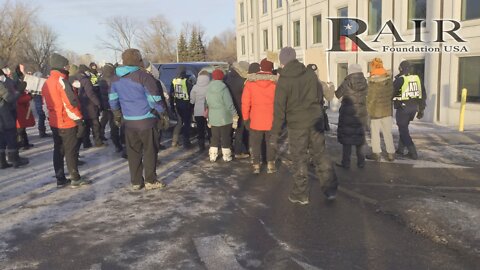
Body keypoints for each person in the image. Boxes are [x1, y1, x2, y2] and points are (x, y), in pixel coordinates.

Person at [272, 47, 338, 205]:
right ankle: (330, 190)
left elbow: (279, 108)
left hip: (297, 124)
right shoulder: (309, 73)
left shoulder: (284, 79)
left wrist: (275, 133)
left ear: (282, 61)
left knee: (299, 157)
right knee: (320, 154)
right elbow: (319, 95)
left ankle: (300, 194)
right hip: (315, 119)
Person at [109, 48, 166, 190]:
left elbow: (113, 100)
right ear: (138, 60)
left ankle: (136, 182)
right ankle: (150, 181)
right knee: (149, 151)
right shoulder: (144, 77)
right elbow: (154, 99)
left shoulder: (115, 78)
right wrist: (163, 113)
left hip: (128, 121)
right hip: (146, 120)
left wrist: (117, 115)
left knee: (133, 152)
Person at [42, 53, 89, 188]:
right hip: (67, 122)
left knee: (58, 150)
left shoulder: (47, 82)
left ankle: (60, 177)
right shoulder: (61, 81)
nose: (68, 67)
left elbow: (46, 105)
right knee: (71, 151)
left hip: (55, 122)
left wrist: (50, 118)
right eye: (67, 64)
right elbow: (70, 103)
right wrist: (79, 120)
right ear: (62, 66)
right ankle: (75, 178)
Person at [242, 58, 277, 174]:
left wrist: (246, 118)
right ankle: (271, 164)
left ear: (261, 68)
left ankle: (256, 165)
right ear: (271, 69)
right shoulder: (276, 83)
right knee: (271, 142)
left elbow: (245, 103)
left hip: (255, 119)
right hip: (271, 118)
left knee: (255, 143)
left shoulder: (250, 83)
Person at [335, 64, 368, 169]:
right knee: (359, 138)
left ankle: (346, 163)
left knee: (347, 139)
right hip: (361, 113)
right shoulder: (365, 82)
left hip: (348, 113)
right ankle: (361, 162)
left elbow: (337, 94)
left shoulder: (347, 82)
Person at [393, 61, 427, 160]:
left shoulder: (400, 80)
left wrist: (395, 101)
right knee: (404, 128)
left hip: (403, 108)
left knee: (403, 130)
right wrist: (421, 109)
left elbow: (391, 93)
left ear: (401, 69)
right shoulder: (417, 79)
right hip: (413, 108)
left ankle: (413, 152)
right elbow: (423, 95)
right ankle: (400, 149)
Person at [0, 59, 29, 168]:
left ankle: (2, 161)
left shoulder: (6, 80)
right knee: (11, 135)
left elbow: (12, 84)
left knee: (2, 138)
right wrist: (19, 92)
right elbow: (9, 98)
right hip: (4, 114)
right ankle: (14, 159)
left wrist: (19, 84)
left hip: (5, 114)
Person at [366, 58, 395, 162]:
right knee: (388, 133)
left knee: (375, 133)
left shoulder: (373, 82)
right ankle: (391, 153)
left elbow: (370, 98)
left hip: (375, 112)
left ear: (373, 66)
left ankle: (377, 153)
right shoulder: (389, 80)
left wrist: (368, 111)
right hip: (387, 111)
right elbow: (392, 94)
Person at [206, 69, 238, 162]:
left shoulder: (209, 87)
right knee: (225, 136)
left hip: (213, 116)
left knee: (214, 136)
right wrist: (234, 114)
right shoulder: (224, 88)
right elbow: (229, 104)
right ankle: (226, 156)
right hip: (225, 116)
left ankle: (212, 155)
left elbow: (207, 102)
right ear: (221, 77)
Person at [224, 61, 250, 159]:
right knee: (240, 130)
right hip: (239, 108)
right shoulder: (242, 80)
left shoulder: (226, 77)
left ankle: (228, 148)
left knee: (229, 129)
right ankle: (238, 151)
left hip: (227, 108)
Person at [77, 64, 104, 148]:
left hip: (82, 106)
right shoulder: (86, 80)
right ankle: (98, 142)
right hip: (90, 106)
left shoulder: (76, 78)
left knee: (86, 126)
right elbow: (90, 94)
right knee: (95, 125)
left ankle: (86, 142)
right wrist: (98, 103)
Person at [98, 63, 122, 153]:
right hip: (114, 105)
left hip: (106, 105)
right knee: (115, 124)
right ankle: (118, 144)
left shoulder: (101, 79)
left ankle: (116, 143)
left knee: (108, 121)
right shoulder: (114, 79)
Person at [170, 66, 193, 148]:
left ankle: (174, 141)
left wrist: (172, 106)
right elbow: (191, 94)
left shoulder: (174, 81)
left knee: (179, 123)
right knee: (187, 123)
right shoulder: (186, 81)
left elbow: (171, 95)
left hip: (177, 104)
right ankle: (186, 143)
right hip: (186, 105)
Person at [190, 70, 211, 152]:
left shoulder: (195, 87)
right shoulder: (210, 86)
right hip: (208, 111)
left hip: (198, 111)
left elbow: (192, 100)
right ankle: (212, 144)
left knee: (200, 129)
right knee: (209, 128)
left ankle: (201, 146)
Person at [30, 72, 50, 137]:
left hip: (39, 100)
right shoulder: (38, 84)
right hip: (40, 100)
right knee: (42, 115)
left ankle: (42, 131)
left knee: (42, 116)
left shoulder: (33, 84)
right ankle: (42, 131)